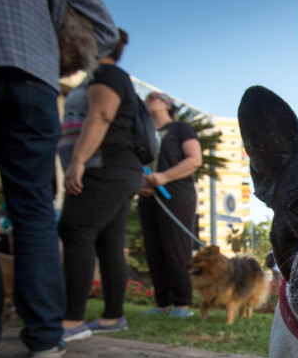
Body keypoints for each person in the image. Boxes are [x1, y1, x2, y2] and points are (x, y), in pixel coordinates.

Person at [0, 0, 118, 358]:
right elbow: (104, 28)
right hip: (34, 74)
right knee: (36, 209)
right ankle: (44, 336)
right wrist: (52, 50)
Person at [57, 29, 144, 341]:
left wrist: (77, 160)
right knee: (109, 243)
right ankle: (111, 317)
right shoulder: (114, 76)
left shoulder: (106, 73)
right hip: (119, 170)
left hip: (103, 167)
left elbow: (102, 113)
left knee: (75, 230)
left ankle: (71, 321)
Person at [138, 92, 202, 318]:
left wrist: (164, 176)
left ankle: (182, 304)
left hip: (176, 195)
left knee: (176, 248)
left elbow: (194, 159)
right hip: (149, 197)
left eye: (151, 98)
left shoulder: (180, 129)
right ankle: (162, 302)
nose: (147, 101)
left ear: (167, 104)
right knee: (154, 249)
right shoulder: (143, 132)